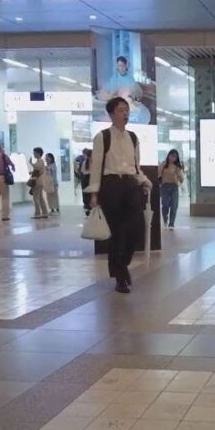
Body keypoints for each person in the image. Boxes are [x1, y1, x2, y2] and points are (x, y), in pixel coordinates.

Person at [86, 97, 152, 294]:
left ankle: (122, 265)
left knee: (136, 229)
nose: (125, 114)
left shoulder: (132, 137)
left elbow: (136, 165)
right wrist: (94, 193)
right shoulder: (102, 137)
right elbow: (96, 166)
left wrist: (143, 180)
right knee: (117, 234)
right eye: (121, 110)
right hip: (111, 185)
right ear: (112, 114)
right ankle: (119, 276)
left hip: (130, 184)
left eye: (126, 110)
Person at [160, 149, 184, 229]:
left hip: (174, 187)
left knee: (174, 205)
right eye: (171, 156)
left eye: (174, 157)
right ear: (168, 155)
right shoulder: (163, 164)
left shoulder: (177, 167)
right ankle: (165, 219)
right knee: (165, 204)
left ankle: (171, 223)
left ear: (177, 158)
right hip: (165, 186)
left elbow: (181, 179)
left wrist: (178, 172)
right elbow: (158, 174)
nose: (172, 158)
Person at [30, 147, 50, 220]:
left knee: (36, 197)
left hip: (38, 181)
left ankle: (38, 213)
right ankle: (44, 212)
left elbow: (37, 168)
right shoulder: (40, 161)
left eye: (35, 153)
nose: (34, 154)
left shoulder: (40, 161)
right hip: (40, 181)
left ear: (38, 153)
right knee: (40, 197)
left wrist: (31, 163)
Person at [75, 148, 92, 214]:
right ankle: (90, 207)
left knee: (85, 193)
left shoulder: (84, 162)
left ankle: (86, 206)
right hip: (90, 178)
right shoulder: (92, 162)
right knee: (90, 192)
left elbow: (81, 171)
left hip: (84, 178)